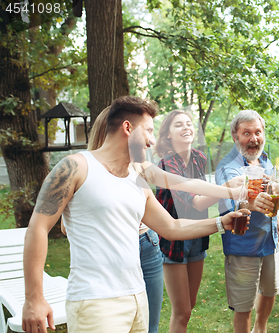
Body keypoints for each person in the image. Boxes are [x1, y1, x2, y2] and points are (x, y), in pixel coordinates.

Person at [21, 96, 248, 333]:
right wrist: (34, 298)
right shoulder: (75, 167)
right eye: (148, 131)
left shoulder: (137, 178)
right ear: (128, 128)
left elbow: (171, 227)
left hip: (137, 299)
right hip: (96, 303)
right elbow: (38, 228)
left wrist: (221, 222)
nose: (152, 140)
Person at [80, 106, 245, 333]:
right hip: (149, 245)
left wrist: (228, 193)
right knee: (138, 318)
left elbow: (186, 189)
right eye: (147, 131)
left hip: (159, 239)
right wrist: (225, 191)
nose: (149, 140)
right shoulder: (85, 170)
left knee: (153, 322)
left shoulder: (143, 166)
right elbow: (189, 203)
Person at [215, 110, 279, 333]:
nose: (254, 139)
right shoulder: (229, 166)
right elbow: (235, 202)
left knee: (270, 291)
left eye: (258, 132)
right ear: (235, 136)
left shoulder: (265, 161)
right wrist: (258, 202)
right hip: (244, 244)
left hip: (269, 241)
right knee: (243, 306)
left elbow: (272, 194)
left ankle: (261, 329)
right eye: (246, 133)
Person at [154, 110, 225, 332]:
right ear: (167, 135)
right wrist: (230, 189)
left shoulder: (198, 158)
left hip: (197, 235)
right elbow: (195, 202)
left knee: (190, 305)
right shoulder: (166, 164)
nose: (186, 128)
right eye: (178, 125)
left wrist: (228, 189)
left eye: (188, 123)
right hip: (174, 238)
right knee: (182, 311)